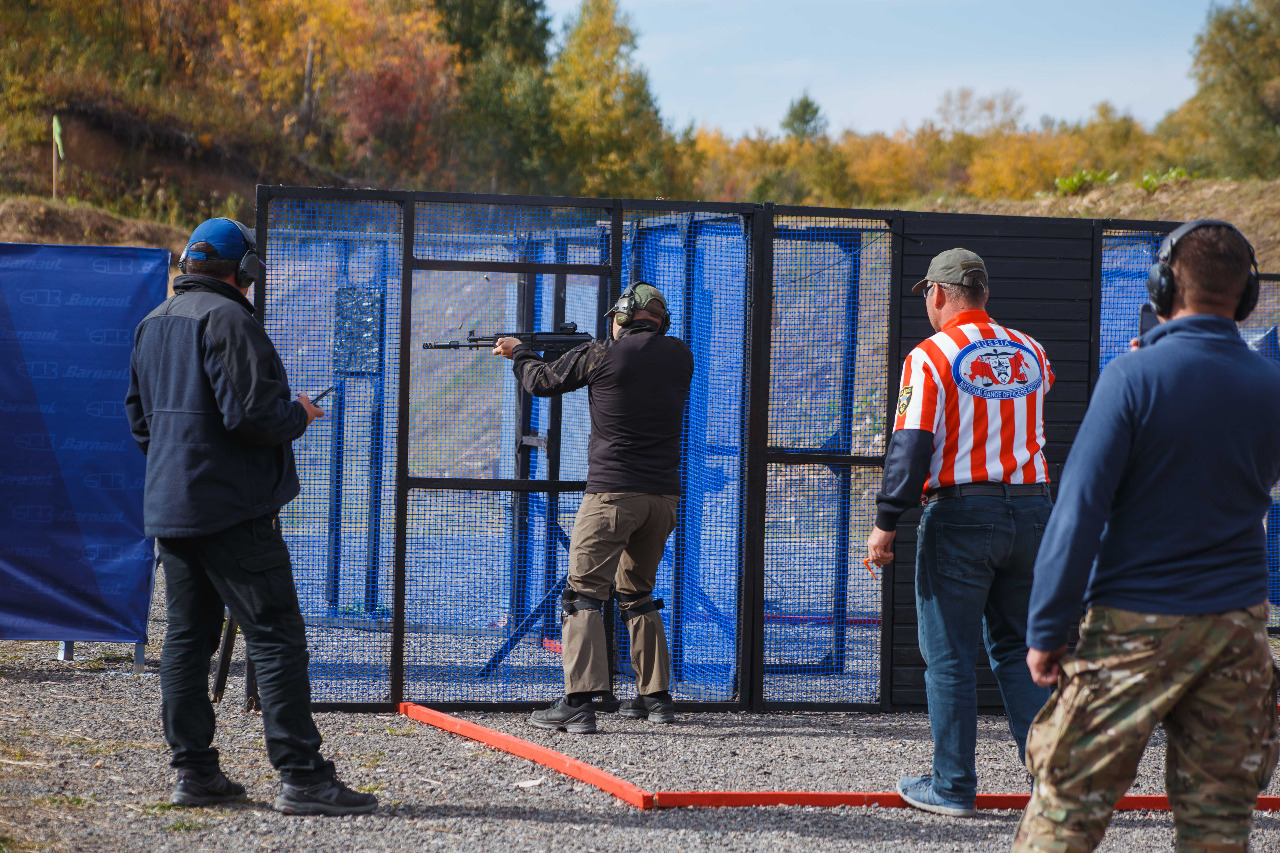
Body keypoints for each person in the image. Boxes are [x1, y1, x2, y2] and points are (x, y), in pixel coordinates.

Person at [1016, 220, 1280, 852]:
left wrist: (1047, 632)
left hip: (1134, 622)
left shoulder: (1131, 378)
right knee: (1218, 826)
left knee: (1065, 813)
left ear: (1164, 287)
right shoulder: (1271, 388)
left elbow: (1078, 511)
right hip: (1237, 629)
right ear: (1245, 298)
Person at [125, 218, 377, 816]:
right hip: (233, 509)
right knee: (276, 636)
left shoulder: (152, 323)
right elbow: (253, 416)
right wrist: (298, 415)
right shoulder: (230, 319)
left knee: (187, 640)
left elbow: (141, 422)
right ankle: (303, 777)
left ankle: (193, 772)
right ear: (243, 272)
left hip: (173, 507)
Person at [866, 248, 1055, 817]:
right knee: (1023, 652)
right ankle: (1051, 786)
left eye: (927, 292)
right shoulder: (1033, 350)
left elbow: (911, 445)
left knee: (948, 656)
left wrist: (885, 522)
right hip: (1032, 511)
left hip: (961, 515)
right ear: (985, 294)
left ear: (940, 294)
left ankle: (952, 786)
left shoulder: (929, 356)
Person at [492, 283, 693, 734]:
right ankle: (656, 698)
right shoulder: (680, 356)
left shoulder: (601, 354)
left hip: (612, 496)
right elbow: (633, 358)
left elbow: (541, 382)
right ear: (662, 320)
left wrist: (521, 352)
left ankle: (579, 702)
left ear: (622, 316)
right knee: (638, 593)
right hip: (661, 499)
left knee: (582, 594)